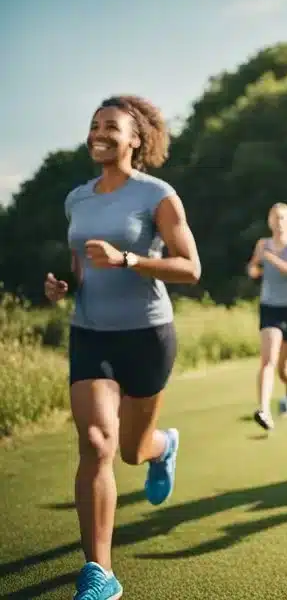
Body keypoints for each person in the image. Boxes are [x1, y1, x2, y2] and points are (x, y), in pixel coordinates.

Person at [45, 95, 202, 600]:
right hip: (90, 331)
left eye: (111, 126)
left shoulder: (158, 195)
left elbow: (191, 268)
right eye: (94, 124)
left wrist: (129, 260)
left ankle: (163, 447)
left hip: (147, 334)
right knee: (95, 443)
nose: (99, 133)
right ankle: (100, 573)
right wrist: (64, 289)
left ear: (136, 138)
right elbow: (81, 264)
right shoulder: (77, 199)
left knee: (133, 450)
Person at [246, 202, 287, 430]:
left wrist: (273, 260)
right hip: (270, 306)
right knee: (268, 360)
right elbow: (253, 267)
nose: (279, 221)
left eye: (283, 217)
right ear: (270, 222)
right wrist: (255, 269)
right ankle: (263, 410)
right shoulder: (262, 245)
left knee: (285, 369)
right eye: (275, 217)